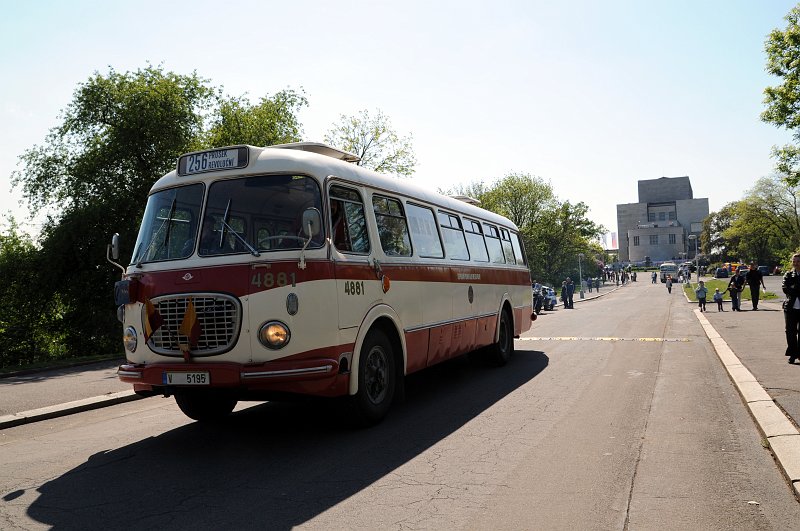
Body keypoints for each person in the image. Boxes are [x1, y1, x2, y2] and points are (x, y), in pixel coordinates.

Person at [782, 253, 800, 364]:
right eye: (794, 261)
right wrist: (794, 289)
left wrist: (793, 288)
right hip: (790, 308)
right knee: (790, 332)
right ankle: (793, 354)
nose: (796, 263)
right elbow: (785, 288)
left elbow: (791, 288)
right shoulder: (788, 275)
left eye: (798, 261)